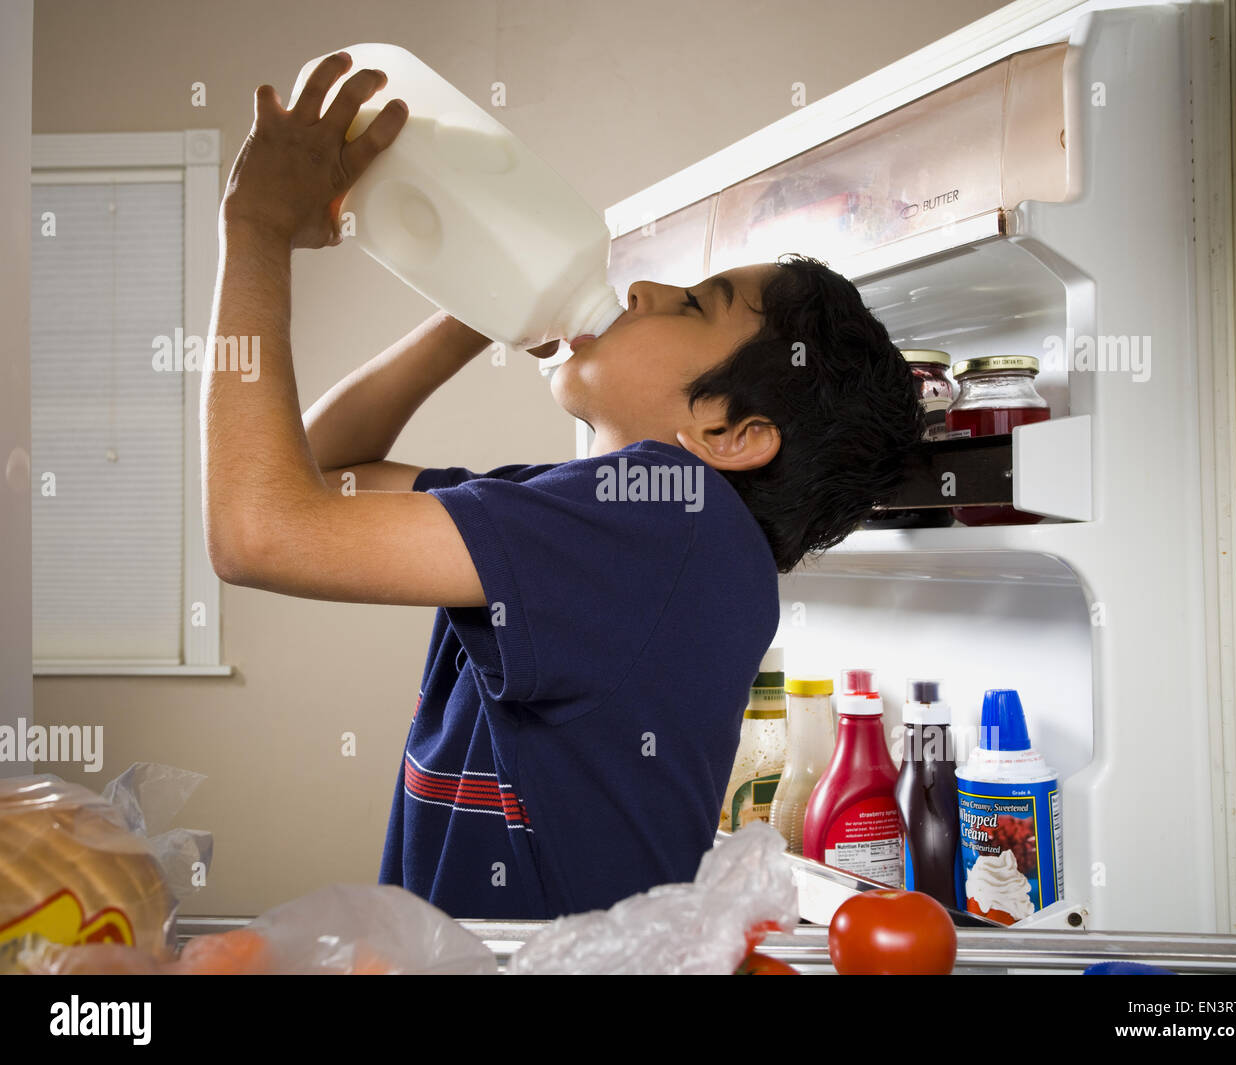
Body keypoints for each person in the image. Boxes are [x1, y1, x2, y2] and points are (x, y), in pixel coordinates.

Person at [205, 52, 923, 918]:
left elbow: (258, 529)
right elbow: (321, 468)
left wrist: (253, 229)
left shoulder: (670, 522)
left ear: (731, 435)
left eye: (694, 306)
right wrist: (479, 299)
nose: (649, 287)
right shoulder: (589, 515)